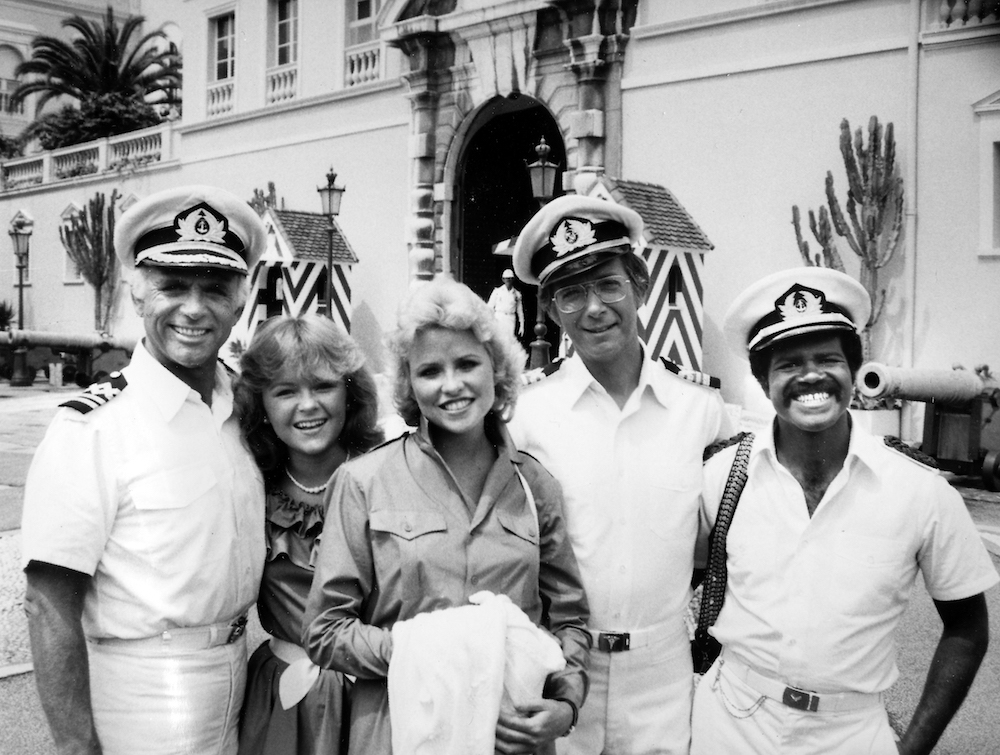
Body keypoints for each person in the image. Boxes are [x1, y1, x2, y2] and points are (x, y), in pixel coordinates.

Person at [691, 267, 999, 755]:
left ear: (853, 371)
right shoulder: (722, 476)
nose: (810, 375)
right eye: (788, 364)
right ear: (762, 380)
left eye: (827, 358)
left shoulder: (920, 491)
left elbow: (967, 628)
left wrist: (914, 747)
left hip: (851, 734)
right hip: (729, 723)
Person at [21, 185, 269, 755]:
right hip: (142, 695)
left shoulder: (245, 410)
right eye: (172, 286)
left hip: (241, 681)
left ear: (240, 299)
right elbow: (49, 599)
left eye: (214, 288)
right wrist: (77, 746)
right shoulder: (94, 429)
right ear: (137, 294)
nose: (193, 308)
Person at [302, 276, 590, 755]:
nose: (451, 385)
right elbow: (325, 630)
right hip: (397, 730)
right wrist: (431, 651)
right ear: (409, 385)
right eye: (430, 371)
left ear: (495, 370)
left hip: (511, 732)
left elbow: (570, 618)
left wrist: (566, 705)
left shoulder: (534, 485)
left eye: (467, 364)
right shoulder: (363, 482)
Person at [507, 195, 731, 755]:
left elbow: (719, 545)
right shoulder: (527, 415)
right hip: (559, 670)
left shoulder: (699, 410)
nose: (594, 308)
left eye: (608, 284)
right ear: (553, 310)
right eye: (571, 292)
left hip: (664, 674)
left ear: (640, 285)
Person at [234, 314, 384, 755]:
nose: (308, 405)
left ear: (350, 392)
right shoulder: (250, 486)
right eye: (285, 391)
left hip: (377, 696)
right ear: (261, 404)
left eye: (322, 386)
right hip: (282, 697)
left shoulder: (387, 475)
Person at [488, 267, 525, 340]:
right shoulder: (497, 292)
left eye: (510, 278)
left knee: (508, 340)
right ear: (503, 279)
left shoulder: (517, 294)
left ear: (513, 279)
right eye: (507, 278)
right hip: (499, 317)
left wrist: (522, 326)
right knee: (498, 339)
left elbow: (520, 311)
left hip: (510, 318)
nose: (508, 280)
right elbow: (489, 307)